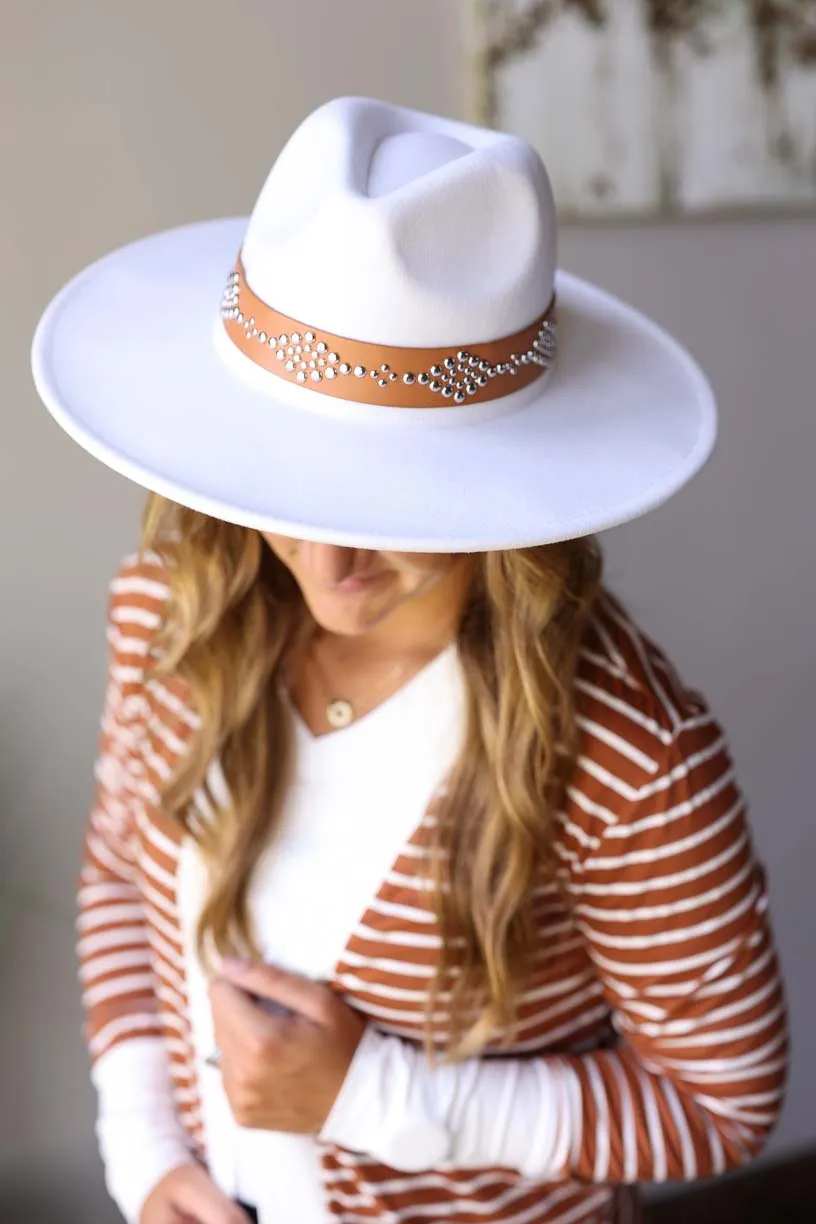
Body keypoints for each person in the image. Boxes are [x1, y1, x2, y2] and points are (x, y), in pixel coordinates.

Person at [31, 97, 787, 1224]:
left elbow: (722, 1105)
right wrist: (144, 1154)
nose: (327, 558)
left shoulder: (631, 761)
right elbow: (117, 886)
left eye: (393, 505)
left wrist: (368, 1095)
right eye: (296, 481)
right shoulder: (171, 610)